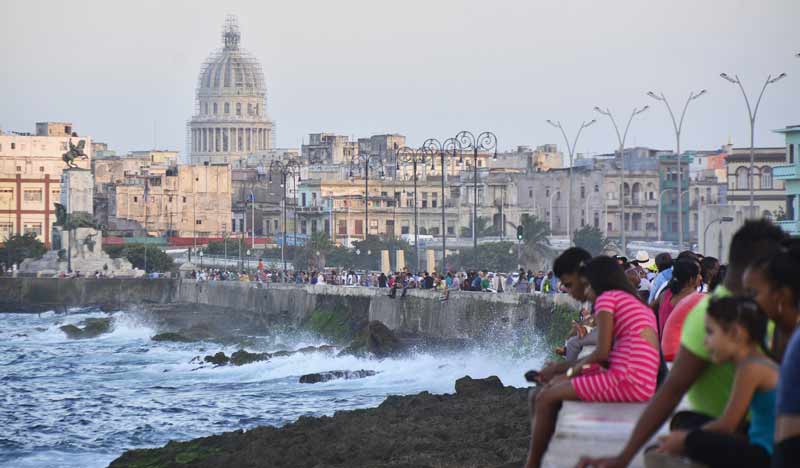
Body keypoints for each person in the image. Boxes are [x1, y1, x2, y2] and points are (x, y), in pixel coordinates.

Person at [577, 219, 788, 468]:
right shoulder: (718, 316)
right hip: (755, 434)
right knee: (683, 427)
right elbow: (672, 390)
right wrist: (625, 455)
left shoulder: (757, 312)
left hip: (764, 436)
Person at [524, 256, 660, 468]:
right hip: (641, 380)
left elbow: (601, 353)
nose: (586, 293)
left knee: (545, 398)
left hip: (626, 380)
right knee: (553, 386)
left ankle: (532, 464)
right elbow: (610, 357)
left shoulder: (607, 300)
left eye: (587, 286)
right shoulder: (631, 300)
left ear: (600, 282)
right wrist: (562, 372)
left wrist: (567, 373)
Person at [653, 297, 777, 468]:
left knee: (694, 438)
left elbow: (727, 425)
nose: (705, 342)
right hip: (757, 443)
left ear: (735, 333)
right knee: (686, 420)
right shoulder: (751, 363)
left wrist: (685, 439)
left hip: (766, 456)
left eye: (710, 332)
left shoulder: (751, 368)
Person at [533, 247, 594, 381]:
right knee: (573, 338)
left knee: (546, 396)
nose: (569, 292)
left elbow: (603, 351)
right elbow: (596, 322)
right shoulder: (602, 295)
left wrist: (562, 370)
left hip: (632, 376)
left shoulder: (605, 297)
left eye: (569, 285)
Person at [654, 258, 703, 338]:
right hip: (680, 348)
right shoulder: (694, 299)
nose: (701, 277)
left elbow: (649, 309)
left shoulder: (665, 294)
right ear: (691, 279)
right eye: (699, 274)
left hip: (663, 346)